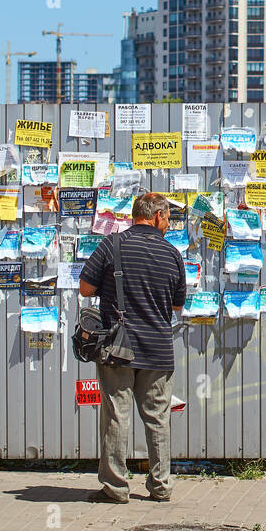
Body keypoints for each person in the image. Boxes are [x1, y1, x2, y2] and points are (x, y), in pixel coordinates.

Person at [78, 192, 186, 503]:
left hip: (117, 349)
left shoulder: (111, 245)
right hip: (158, 349)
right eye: (167, 218)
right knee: (157, 417)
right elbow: (178, 306)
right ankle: (161, 486)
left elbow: (85, 288)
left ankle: (115, 488)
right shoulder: (172, 254)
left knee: (116, 416)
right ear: (156, 217)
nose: (168, 225)